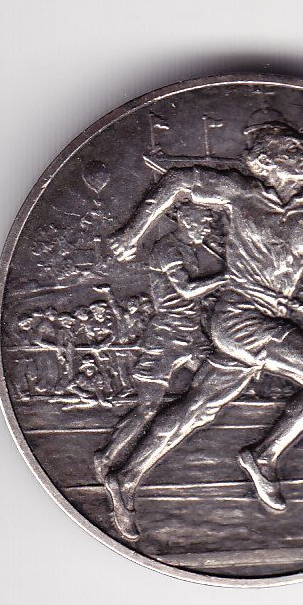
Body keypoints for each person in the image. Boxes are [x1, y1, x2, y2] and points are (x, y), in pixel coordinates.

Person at [105, 120, 303, 539]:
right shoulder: (239, 193)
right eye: (293, 150)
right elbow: (178, 182)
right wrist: (132, 232)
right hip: (240, 318)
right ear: (266, 162)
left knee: (196, 410)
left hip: (268, 318)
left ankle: (126, 478)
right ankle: (263, 456)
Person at [93, 203, 226, 490]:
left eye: (208, 225)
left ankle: (178, 427)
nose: (207, 230)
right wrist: (225, 277)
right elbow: (187, 290)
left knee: (218, 380)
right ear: (186, 221)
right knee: (147, 408)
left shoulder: (189, 249)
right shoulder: (168, 250)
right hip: (166, 336)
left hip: (191, 335)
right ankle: (106, 457)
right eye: (203, 224)